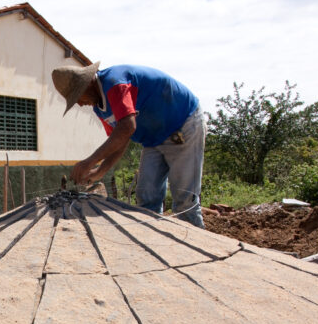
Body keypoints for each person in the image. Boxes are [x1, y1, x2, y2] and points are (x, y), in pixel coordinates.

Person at [51, 62, 206, 228]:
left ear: (89, 84)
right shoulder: (99, 108)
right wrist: (99, 171)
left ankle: (204, 251)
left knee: (185, 202)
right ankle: (153, 245)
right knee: (147, 199)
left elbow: (127, 127)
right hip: (153, 139)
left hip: (183, 125)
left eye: (78, 97)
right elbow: (120, 140)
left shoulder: (115, 84)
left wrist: (89, 162)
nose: (80, 104)